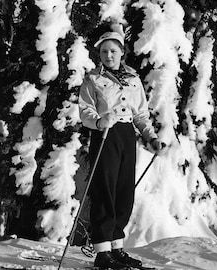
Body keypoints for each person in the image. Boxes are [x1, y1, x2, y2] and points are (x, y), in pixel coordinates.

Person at [79, 25, 164, 270]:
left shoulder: (133, 79)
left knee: (124, 193)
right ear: (100, 54)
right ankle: (102, 252)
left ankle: (116, 249)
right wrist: (98, 121)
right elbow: (85, 110)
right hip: (105, 134)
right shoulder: (93, 79)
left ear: (121, 52)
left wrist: (151, 137)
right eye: (104, 51)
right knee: (105, 191)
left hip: (127, 135)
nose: (108, 55)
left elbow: (141, 115)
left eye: (113, 51)